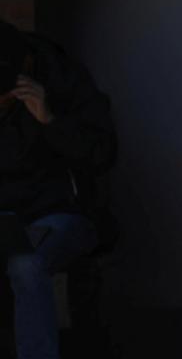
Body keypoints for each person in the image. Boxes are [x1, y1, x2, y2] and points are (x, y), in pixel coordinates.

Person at [0, 19, 116, 359]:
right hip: (6, 217)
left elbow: (102, 153)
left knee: (26, 264)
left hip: (57, 213)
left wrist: (50, 121)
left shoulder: (61, 79)